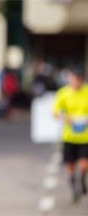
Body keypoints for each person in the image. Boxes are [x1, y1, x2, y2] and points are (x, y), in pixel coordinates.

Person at [53, 66, 88, 203]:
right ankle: (74, 188)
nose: (77, 82)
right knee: (70, 167)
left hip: (85, 137)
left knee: (84, 165)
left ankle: (82, 179)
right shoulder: (63, 93)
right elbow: (56, 112)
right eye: (75, 79)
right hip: (69, 136)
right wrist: (66, 118)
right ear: (70, 79)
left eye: (80, 79)